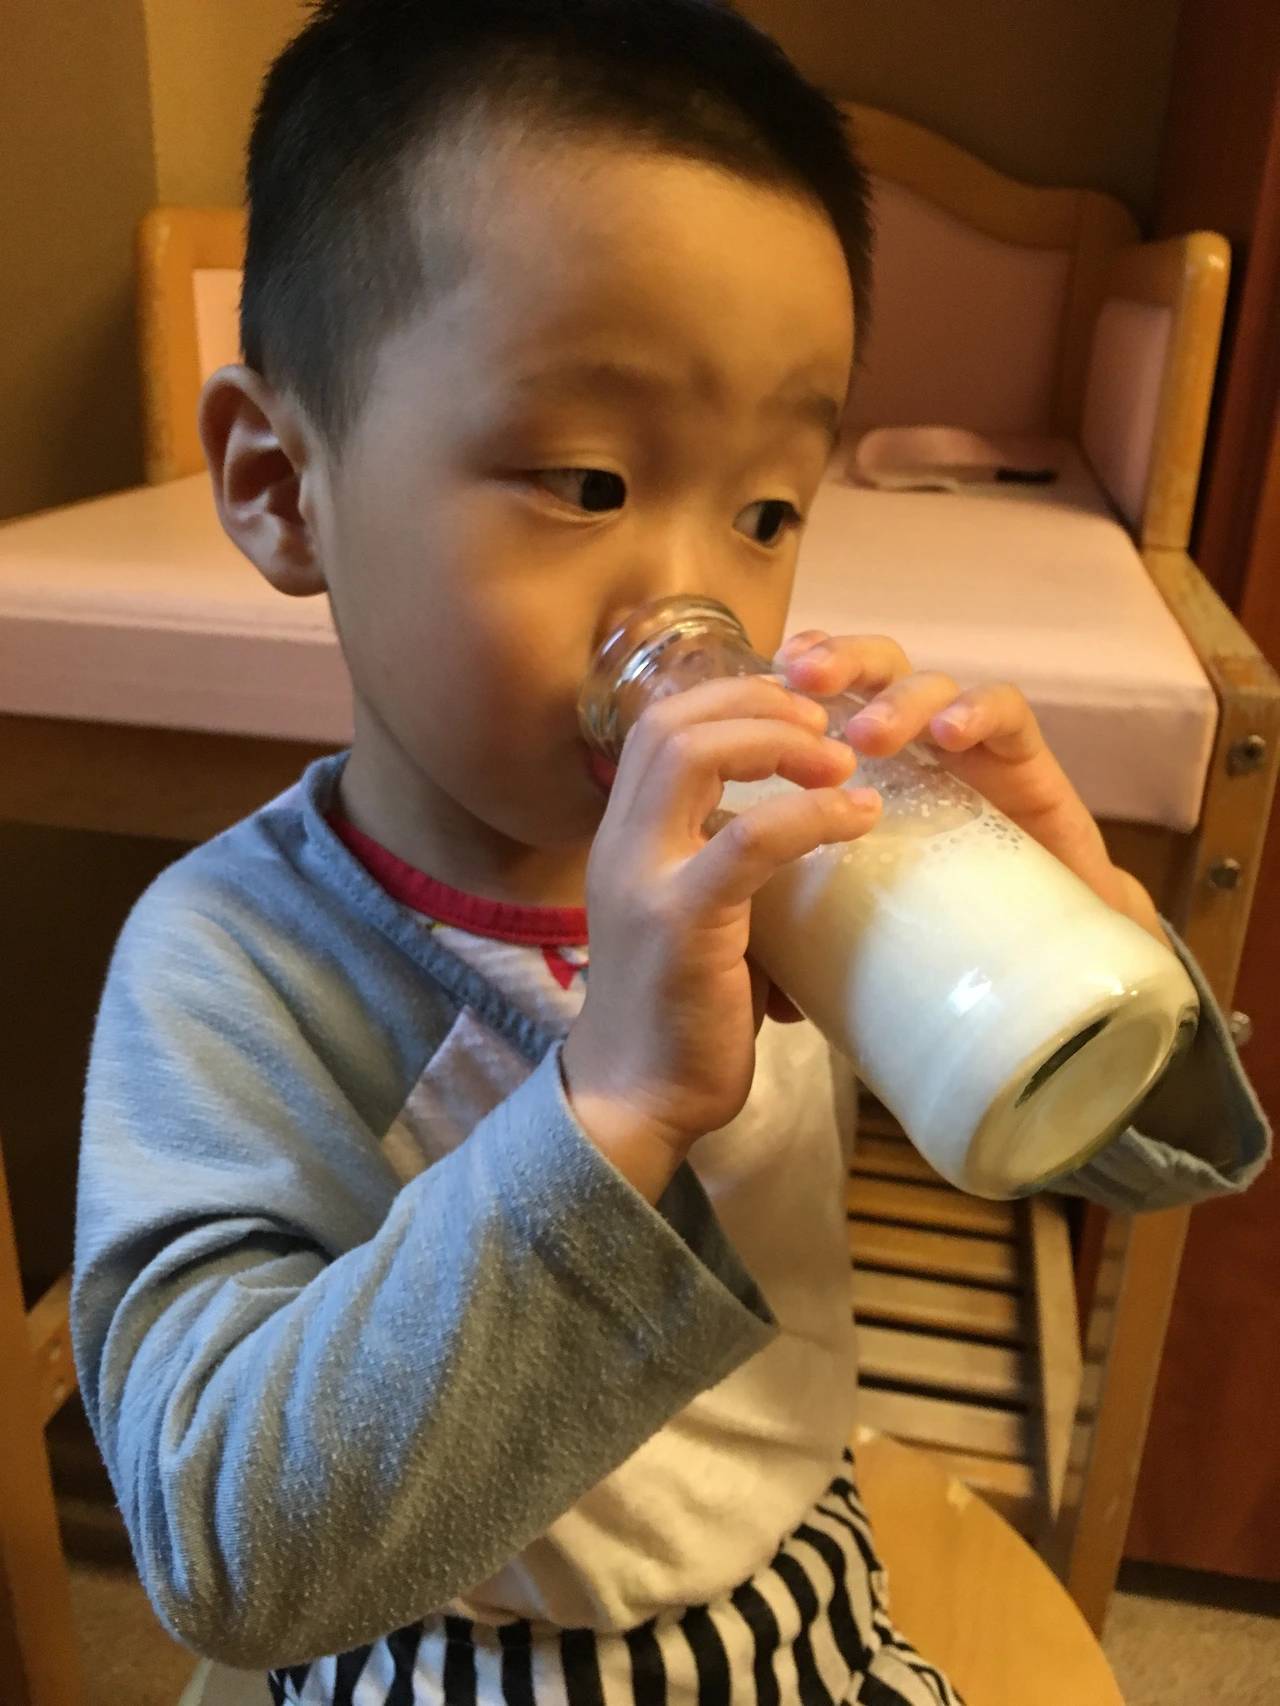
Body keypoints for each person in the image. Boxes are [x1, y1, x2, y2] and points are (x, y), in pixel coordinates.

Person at [72, 3, 1268, 1704]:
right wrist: (613, 1106)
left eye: (769, 510)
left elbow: (1105, 1152)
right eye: (584, 479)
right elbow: (228, 1552)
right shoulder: (228, 963)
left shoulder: (776, 861)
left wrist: (1092, 964)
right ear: (282, 482)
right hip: (427, 1650)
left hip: (797, 1604)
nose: (692, 598)